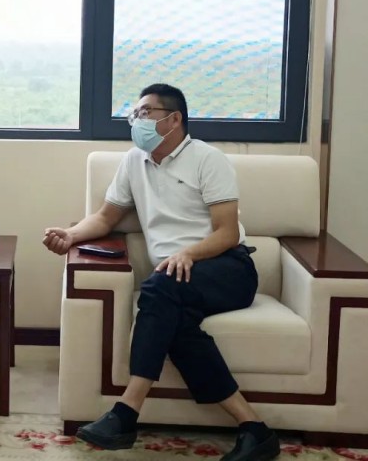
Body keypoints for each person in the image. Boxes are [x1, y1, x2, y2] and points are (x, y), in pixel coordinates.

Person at [43, 84, 280, 461]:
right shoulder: (133, 161)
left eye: (145, 112)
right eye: (134, 114)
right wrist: (70, 235)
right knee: (178, 325)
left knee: (158, 288)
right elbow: (106, 217)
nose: (136, 121)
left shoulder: (208, 159)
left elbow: (227, 232)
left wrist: (188, 253)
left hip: (228, 268)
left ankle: (126, 412)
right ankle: (254, 428)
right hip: (175, 278)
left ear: (173, 119)